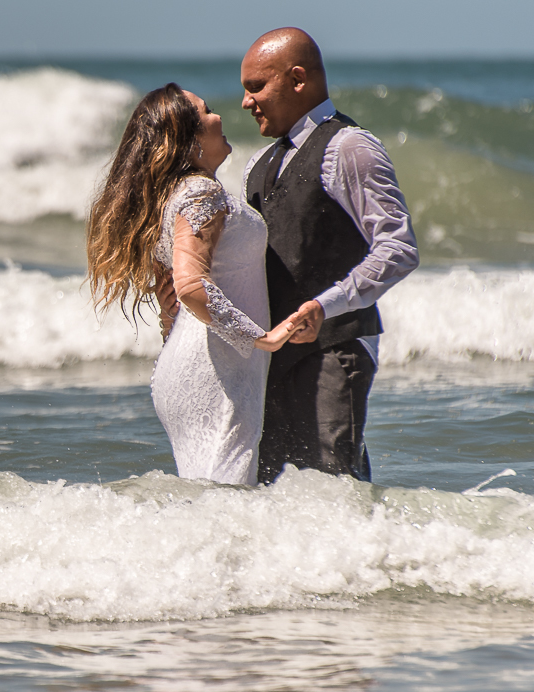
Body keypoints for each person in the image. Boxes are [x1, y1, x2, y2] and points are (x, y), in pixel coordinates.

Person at [160, 28, 419, 484]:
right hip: (267, 356)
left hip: (334, 346)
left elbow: (398, 247)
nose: (245, 101)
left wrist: (326, 305)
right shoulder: (256, 163)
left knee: (333, 489)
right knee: (271, 496)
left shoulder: (350, 146)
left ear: (297, 79)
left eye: (256, 86)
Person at [87, 83, 300, 485]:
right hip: (217, 370)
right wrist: (261, 338)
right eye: (207, 111)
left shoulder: (169, 197)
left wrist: (175, 315)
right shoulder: (202, 191)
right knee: (225, 495)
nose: (219, 116)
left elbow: (174, 303)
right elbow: (188, 285)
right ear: (186, 138)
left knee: (209, 496)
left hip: (192, 364)